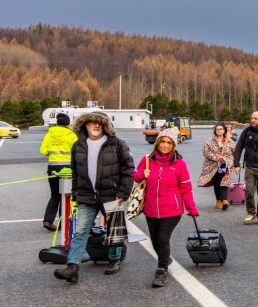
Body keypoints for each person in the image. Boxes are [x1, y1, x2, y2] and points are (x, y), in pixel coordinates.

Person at [53, 112, 134, 284]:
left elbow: (128, 169)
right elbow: (75, 172)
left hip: (112, 194)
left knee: (115, 229)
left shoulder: (117, 144)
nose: (96, 126)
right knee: (80, 231)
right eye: (92, 123)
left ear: (105, 126)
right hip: (86, 196)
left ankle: (114, 259)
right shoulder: (78, 146)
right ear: (85, 125)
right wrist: (76, 193)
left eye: (99, 123)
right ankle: (72, 267)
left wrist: (123, 193)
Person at [134, 128, 198, 287]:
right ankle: (165, 258)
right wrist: (143, 174)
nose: (165, 145)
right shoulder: (147, 160)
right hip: (150, 208)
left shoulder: (179, 164)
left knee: (163, 238)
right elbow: (135, 176)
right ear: (157, 143)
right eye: (162, 141)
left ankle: (161, 269)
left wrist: (191, 208)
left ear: (173, 145)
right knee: (155, 241)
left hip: (172, 209)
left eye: (169, 142)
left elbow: (186, 188)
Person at [39, 112, 76, 231]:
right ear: (68, 123)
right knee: (66, 195)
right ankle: (63, 221)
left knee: (54, 195)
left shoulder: (49, 134)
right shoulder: (71, 135)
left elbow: (43, 151)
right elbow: (77, 151)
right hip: (67, 169)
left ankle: (48, 220)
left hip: (52, 168)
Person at [198, 123, 236, 210]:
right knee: (217, 182)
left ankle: (225, 200)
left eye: (221, 129)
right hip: (213, 166)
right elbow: (205, 152)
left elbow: (235, 153)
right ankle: (218, 200)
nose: (218, 130)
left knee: (225, 181)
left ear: (224, 131)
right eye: (217, 129)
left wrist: (236, 163)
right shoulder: (209, 141)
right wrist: (215, 157)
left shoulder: (230, 142)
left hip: (226, 165)